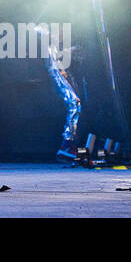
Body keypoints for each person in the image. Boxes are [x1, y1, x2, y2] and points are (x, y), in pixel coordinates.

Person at [35, 24, 83, 162]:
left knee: (76, 105)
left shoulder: (57, 44)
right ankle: (67, 145)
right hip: (56, 73)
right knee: (75, 104)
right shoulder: (47, 37)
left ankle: (69, 145)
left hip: (61, 73)